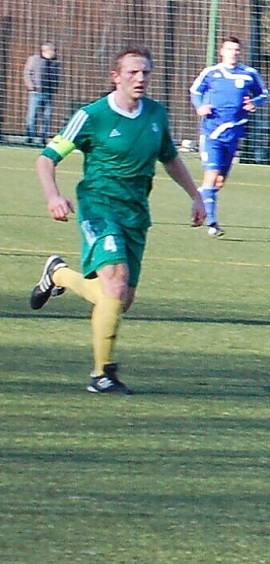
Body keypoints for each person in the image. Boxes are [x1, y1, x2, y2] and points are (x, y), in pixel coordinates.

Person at [29, 46, 205, 394]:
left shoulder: (156, 114)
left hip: (135, 213)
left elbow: (169, 158)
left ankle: (57, 274)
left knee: (119, 299)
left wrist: (196, 195)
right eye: (132, 73)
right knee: (116, 283)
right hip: (98, 207)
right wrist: (53, 195)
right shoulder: (92, 116)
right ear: (115, 76)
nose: (140, 78)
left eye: (145, 73)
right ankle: (101, 375)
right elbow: (46, 159)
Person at [189, 35, 268, 237]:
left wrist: (254, 103)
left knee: (219, 182)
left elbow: (263, 94)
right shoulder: (211, 73)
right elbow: (195, 91)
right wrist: (200, 107)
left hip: (233, 135)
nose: (233, 53)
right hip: (212, 133)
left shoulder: (249, 73)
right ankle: (213, 223)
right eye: (230, 49)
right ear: (222, 51)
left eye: (236, 50)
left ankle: (201, 196)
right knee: (212, 174)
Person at [24, 42, 61, 145]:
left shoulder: (55, 63)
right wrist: (31, 86)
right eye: (52, 50)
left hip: (48, 93)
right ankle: (30, 137)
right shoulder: (34, 59)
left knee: (47, 116)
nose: (54, 52)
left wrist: (55, 88)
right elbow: (27, 73)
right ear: (46, 51)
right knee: (32, 115)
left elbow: (57, 76)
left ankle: (43, 138)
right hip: (36, 92)